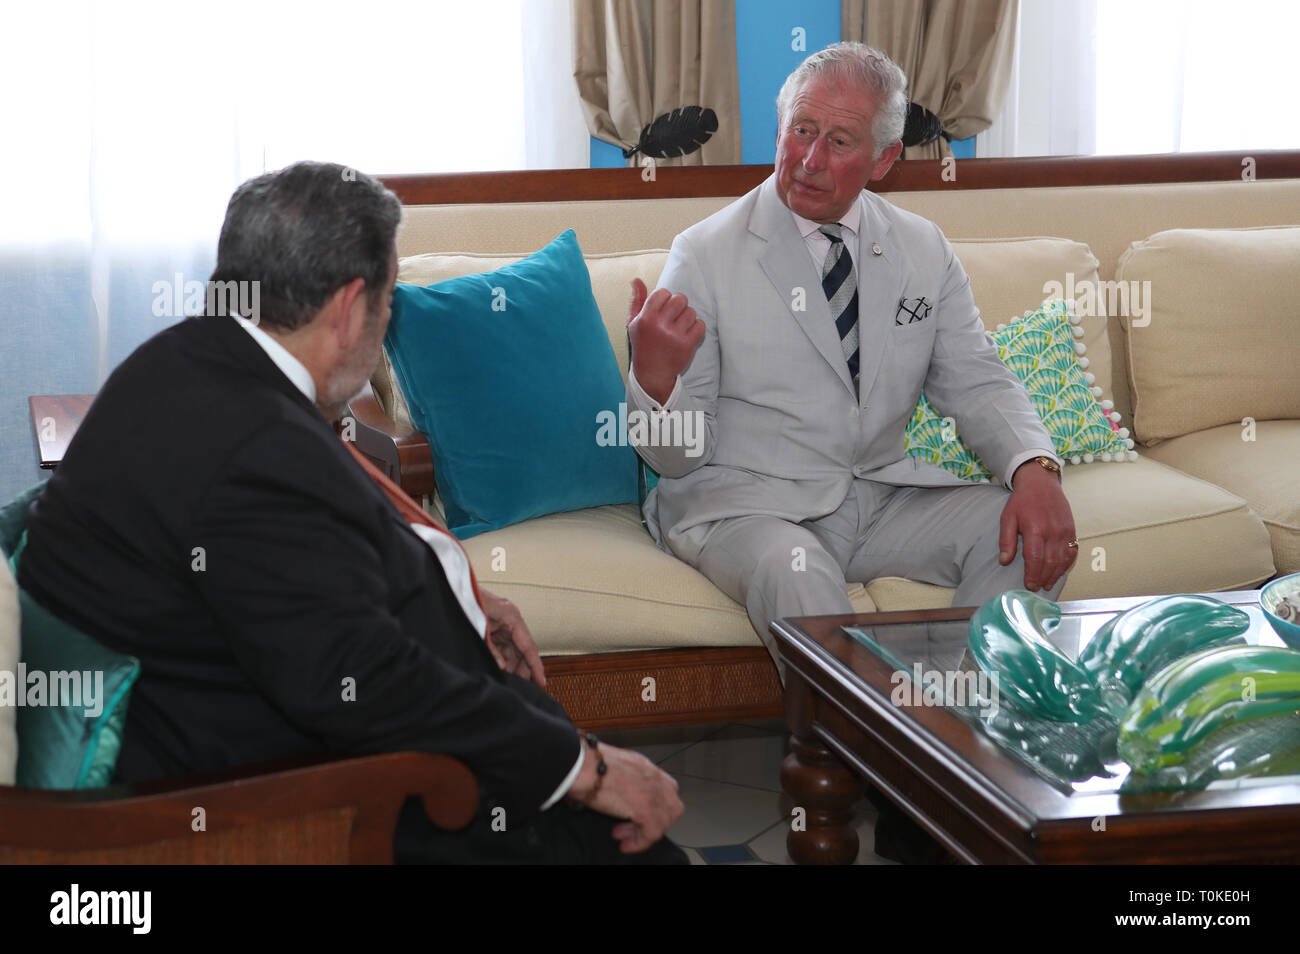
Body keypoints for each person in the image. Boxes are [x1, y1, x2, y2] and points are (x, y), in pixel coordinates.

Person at [18, 161, 685, 865]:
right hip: (315, 802)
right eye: (389, 299)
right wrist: (585, 768)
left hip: (292, 731)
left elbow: (301, 564)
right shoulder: (254, 450)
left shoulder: (187, 360)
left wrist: (461, 593)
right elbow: (359, 681)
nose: (387, 319)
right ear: (347, 309)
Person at [625, 42, 1078, 672]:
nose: (810, 160)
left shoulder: (922, 247)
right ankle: (879, 751)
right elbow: (675, 460)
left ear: (886, 157)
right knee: (796, 570)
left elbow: (976, 379)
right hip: (745, 506)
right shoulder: (703, 253)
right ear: (780, 130)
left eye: (840, 142)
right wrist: (654, 375)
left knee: (1036, 531)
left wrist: (1034, 468)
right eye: (801, 131)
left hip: (878, 495)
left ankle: (948, 713)